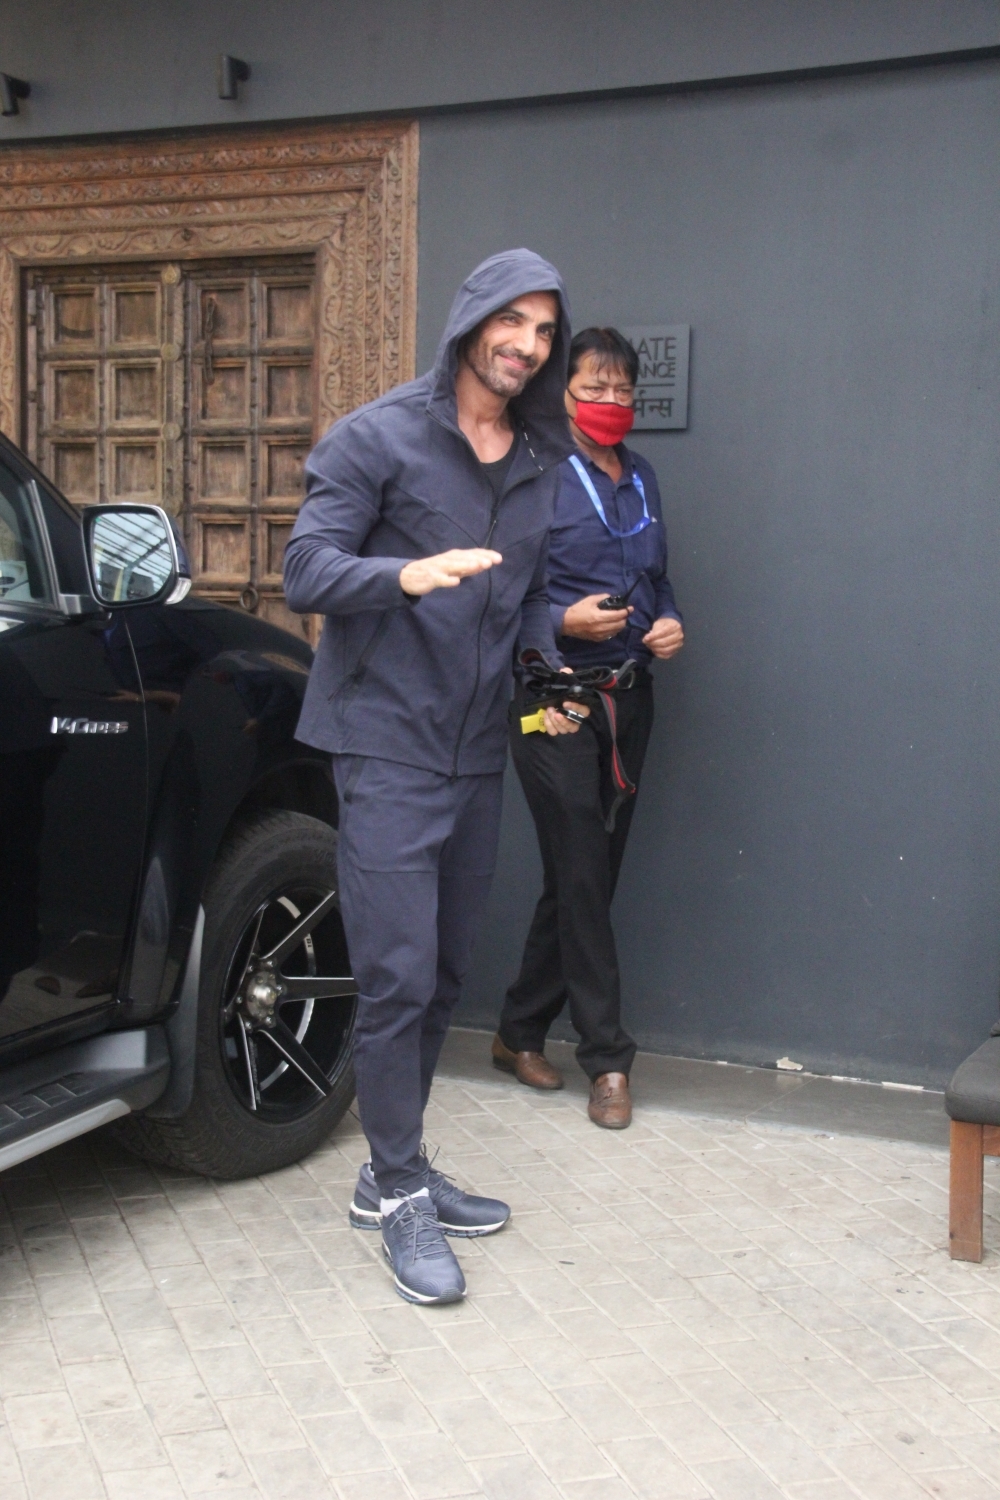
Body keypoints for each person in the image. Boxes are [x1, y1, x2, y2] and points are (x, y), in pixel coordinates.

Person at [283, 249, 587, 1306]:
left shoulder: (539, 458)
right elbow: (305, 568)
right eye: (512, 320)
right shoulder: (379, 436)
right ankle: (401, 1191)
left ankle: (387, 1166)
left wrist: (561, 629)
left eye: (545, 331)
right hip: (385, 744)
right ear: (470, 321)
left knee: (446, 972)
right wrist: (406, 573)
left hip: (475, 753)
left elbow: (530, 595)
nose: (528, 345)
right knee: (398, 972)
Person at [491, 327, 684, 1129]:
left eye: (621, 391)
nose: (609, 404)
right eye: (592, 388)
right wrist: (562, 620)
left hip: (629, 695)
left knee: (588, 870)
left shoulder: (640, 477)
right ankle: (607, 1060)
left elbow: (656, 577)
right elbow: (496, 596)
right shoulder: (530, 475)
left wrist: (668, 619)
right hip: (554, 698)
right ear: (562, 393)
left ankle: (516, 1030)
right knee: (580, 863)